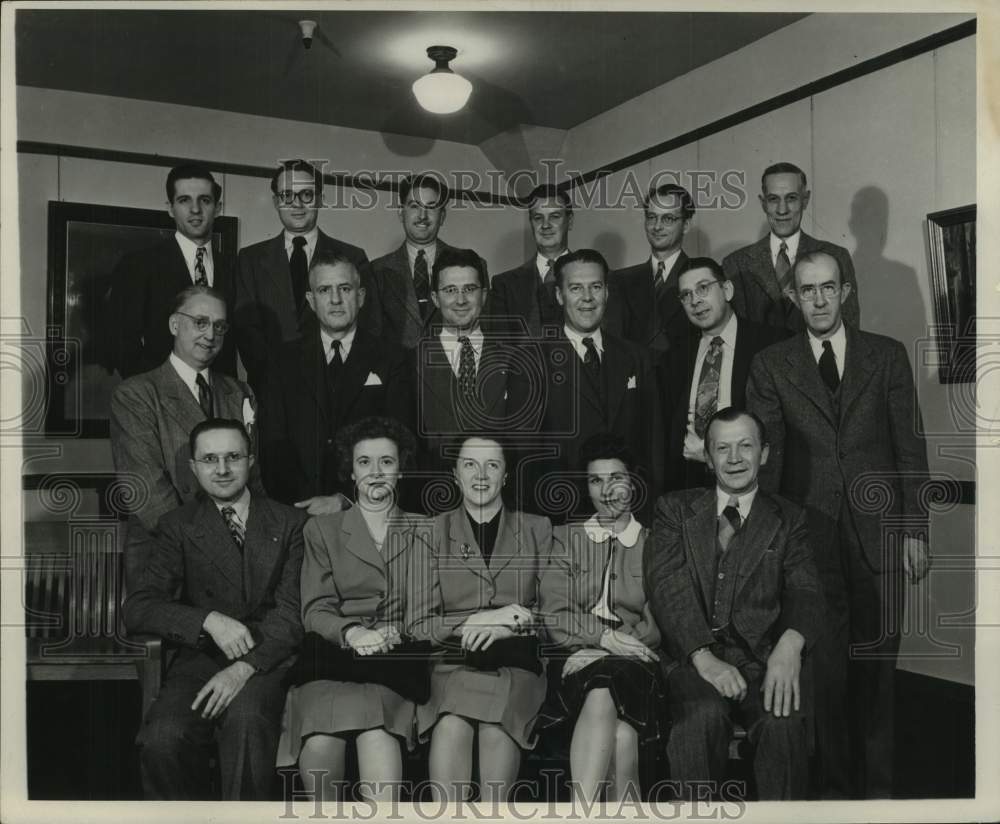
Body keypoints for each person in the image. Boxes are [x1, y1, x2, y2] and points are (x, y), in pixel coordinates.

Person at [746, 250, 930, 798]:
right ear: (795, 298)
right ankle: (835, 797)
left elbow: (910, 448)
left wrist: (915, 529)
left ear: (845, 291)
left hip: (880, 541)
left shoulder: (888, 356)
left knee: (876, 680)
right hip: (810, 548)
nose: (819, 300)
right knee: (825, 682)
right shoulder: (773, 365)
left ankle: (878, 798)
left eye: (829, 288)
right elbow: (769, 466)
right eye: (808, 290)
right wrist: (769, 548)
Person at [644, 408, 822, 801]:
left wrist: (790, 645)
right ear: (707, 459)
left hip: (760, 660)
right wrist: (703, 657)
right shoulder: (674, 510)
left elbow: (806, 589)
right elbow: (667, 586)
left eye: (746, 446)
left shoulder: (789, 518)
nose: (735, 458)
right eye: (722, 448)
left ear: (765, 453)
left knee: (783, 721)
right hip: (690, 661)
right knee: (700, 718)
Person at [123, 418, 305, 800]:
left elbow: (292, 614)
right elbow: (139, 607)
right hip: (200, 659)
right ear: (193, 467)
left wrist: (243, 668)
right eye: (210, 459)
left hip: (266, 659)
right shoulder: (178, 525)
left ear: (250, 460)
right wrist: (207, 620)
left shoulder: (290, 522)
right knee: (162, 739)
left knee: (246, 724)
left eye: (233, 457)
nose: (222, 470)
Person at [276, 417, 430, 802]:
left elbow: (430, 603)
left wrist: (399, 630)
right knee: (320, 744)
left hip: (393, 660)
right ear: (350, 471)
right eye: (364, 462)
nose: (375, 472)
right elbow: (315, 607)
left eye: (386, 462)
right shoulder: (323, 530)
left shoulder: (427, 529)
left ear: (402, 469)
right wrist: (352, 632)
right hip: (333, 657)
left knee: (377, 738)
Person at [406, 435, 552, 802]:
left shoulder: (538, 528)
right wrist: (481, 620)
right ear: (455, 474)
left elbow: (556, 614)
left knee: (496, 726)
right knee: (452, 725)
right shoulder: (430, 532)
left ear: (506, 476)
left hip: (516, 667)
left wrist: (513, 623)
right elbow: (418, 624)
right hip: (452, 666)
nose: (481, 474)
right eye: (470, 464)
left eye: (492, 464)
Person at [538, 433, 664, 803]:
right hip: (573, 660)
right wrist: (601, 639)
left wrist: (609, 651)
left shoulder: (655, 543)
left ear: (633, 484)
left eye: (616, 479)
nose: (607, 490)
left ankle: (581, 813)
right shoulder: (565, 539)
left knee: (605, 681)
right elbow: (553, 611)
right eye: (596, 481)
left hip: (635, 662)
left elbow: (659, 624)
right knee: (621, 736)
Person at [261, 251, 413, 515]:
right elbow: (273, 444)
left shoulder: (393, 358)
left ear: (361, 296)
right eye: (324, 290)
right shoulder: (281, 360)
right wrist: (301, 504)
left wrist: (347, 499)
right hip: (297, 511)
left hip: (368, 510)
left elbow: (401, 443)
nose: (335, 300)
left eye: (345, 288)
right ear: (311, 300)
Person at [110, 285, 263, 533]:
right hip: (168, 547)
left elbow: (254, 480)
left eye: (219, 326)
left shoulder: (241, 393)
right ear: (174, 325)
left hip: (239, 540)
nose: (211, 335)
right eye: (200, 322)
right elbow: (148, 491)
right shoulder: (136, 394)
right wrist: (213, 545)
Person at [536, 249, 662, 521]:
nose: (587, 298)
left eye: (595, 287)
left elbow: (652, 443)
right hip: (562, 519)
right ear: (559, 295)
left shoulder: (636, 357)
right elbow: (530, 453)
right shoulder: (533, 360)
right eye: (575, 288)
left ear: (607, 292)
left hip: (632, 516)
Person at [234, 159, 374, 392]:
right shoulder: (250, 260)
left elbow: (368, 324)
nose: (297, 204)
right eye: (287, 195)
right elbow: (246, 331)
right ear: (276, 201)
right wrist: (277, 378)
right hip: (272, 389)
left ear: (320, 199)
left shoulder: (353, 257)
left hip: (338, 385)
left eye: (306, 194)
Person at [659, 257, 787, 491]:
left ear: (727, 290)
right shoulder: (675, 357)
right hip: (689, 483)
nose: (695, 300)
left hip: (751, 481)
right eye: (686, 295)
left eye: (703, 288)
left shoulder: (771, 344)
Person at [415, 246, 542, 481]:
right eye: (450, 290)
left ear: (484, 295)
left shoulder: (518, 361)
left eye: (469, 289)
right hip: (436, 503)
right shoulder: (411, 363)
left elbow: (524, 445)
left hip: (502, 502)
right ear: (435, 298)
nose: (461, 300)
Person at [110, 164, 237, 377]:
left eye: (204, 200)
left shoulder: (234, 267)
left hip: (220, 400)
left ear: (218, 208)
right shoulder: (139, 265)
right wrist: (153, 395)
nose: (195, 209)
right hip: (159, 401)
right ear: (170, 208)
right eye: (184, 200)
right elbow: (121, 344)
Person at [724, 162, 860, 332]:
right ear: (763, 203)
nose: (782, 210)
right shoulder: (736, 263)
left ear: (805, 200)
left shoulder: (835, 256)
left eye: (791, 198)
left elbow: (850, 331)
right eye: (773, 199)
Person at [369, 173, 487, 348]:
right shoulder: (376, 270)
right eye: (414, 206)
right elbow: (372, 337)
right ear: (401, 213)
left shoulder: (473, 265)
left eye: (431, 207)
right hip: (396, 374)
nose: (422, 215)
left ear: (443, 216)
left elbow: (483, 330)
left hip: (453, 371)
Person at [604, 182, 694, 354]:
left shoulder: (701, 278)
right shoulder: (618, 280)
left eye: (668, 218)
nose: (657, 226)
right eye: (652, 217)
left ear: (686, 225)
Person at [488, 184, 573, 338]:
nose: (545, 225)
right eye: (538, 218)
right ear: (531, 223)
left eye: (554, 216)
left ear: (570, 221)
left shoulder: (598, 276)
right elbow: (500, 350)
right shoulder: (504, 285)